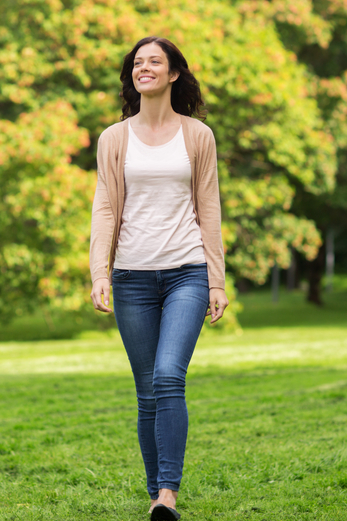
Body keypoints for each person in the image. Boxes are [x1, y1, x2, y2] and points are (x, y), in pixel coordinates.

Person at [90, 36, 229, 521]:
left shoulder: (198, 136)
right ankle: (157, 499)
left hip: (186, 273)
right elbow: (105, 208)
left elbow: (208, 208)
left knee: (169, 375)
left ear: (173, 75)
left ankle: (168, 491)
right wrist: (99, 271)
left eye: (155, 62)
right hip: (131, 277)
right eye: (137, 63)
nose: (143, 68)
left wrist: (216, 279)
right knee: (147, 389)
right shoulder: (114, 138)